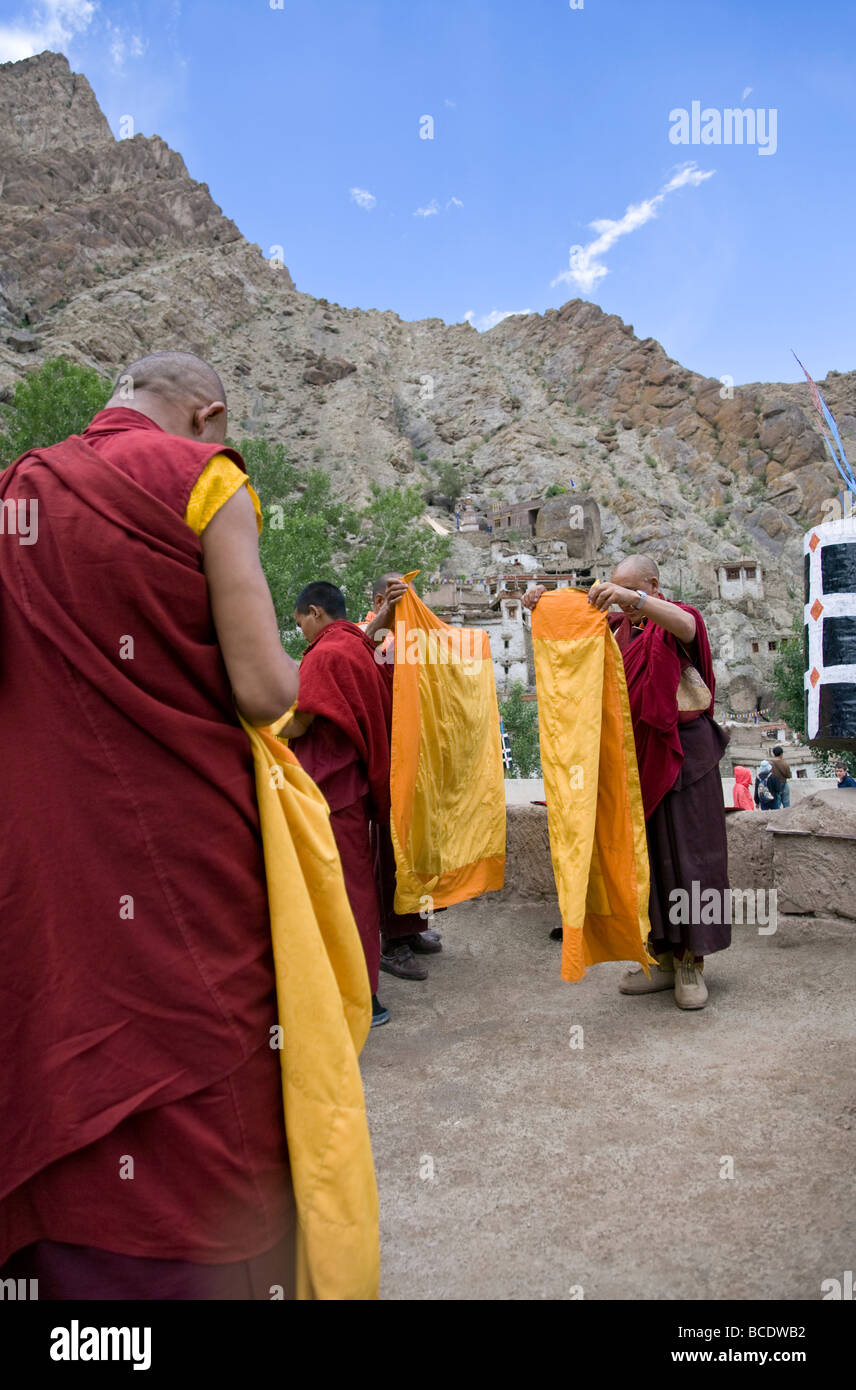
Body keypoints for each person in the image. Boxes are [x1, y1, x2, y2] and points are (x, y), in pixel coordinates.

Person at [0, 352, 303, 1298]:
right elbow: (262, 690)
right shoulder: (208, 481)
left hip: (46, 855)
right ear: (208, 416)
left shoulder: (18, 494)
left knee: (63, 1044)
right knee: (205, 1065)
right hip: (186, 850)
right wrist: (334, 673)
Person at [525, 553, 730, 1010]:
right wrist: (540, 604)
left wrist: (633, 600)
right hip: (633, 764)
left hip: (683, 762)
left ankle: (692, 962)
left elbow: (688, 627)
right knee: (647, 863)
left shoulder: (676, 618)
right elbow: (570, 650)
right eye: (616, 592)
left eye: (630, 592)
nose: (623, 603)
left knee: (691, 862)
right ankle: (658, 956)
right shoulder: (619, 631)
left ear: (652, 586)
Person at [281, 581, 400, 1024]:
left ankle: (361, 999)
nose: (302, 634)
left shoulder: (326, 653)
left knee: (344, 894)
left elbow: (300, 723)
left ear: (314, 611)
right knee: (354, 888)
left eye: (300, 624)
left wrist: (258, 721)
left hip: (330, 790)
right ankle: (359, 990)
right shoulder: (357, 646)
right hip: (352, 786)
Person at [364, 573, 444, 978]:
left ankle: (413, 928)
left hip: (420, 761)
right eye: (399, 599)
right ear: (379, 599)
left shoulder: (412, 637)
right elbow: (361, 647)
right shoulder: (370, 634)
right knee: (392, 853)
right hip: (389, 763)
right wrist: (385, 614)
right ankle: (392, 943)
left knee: (419, 852)